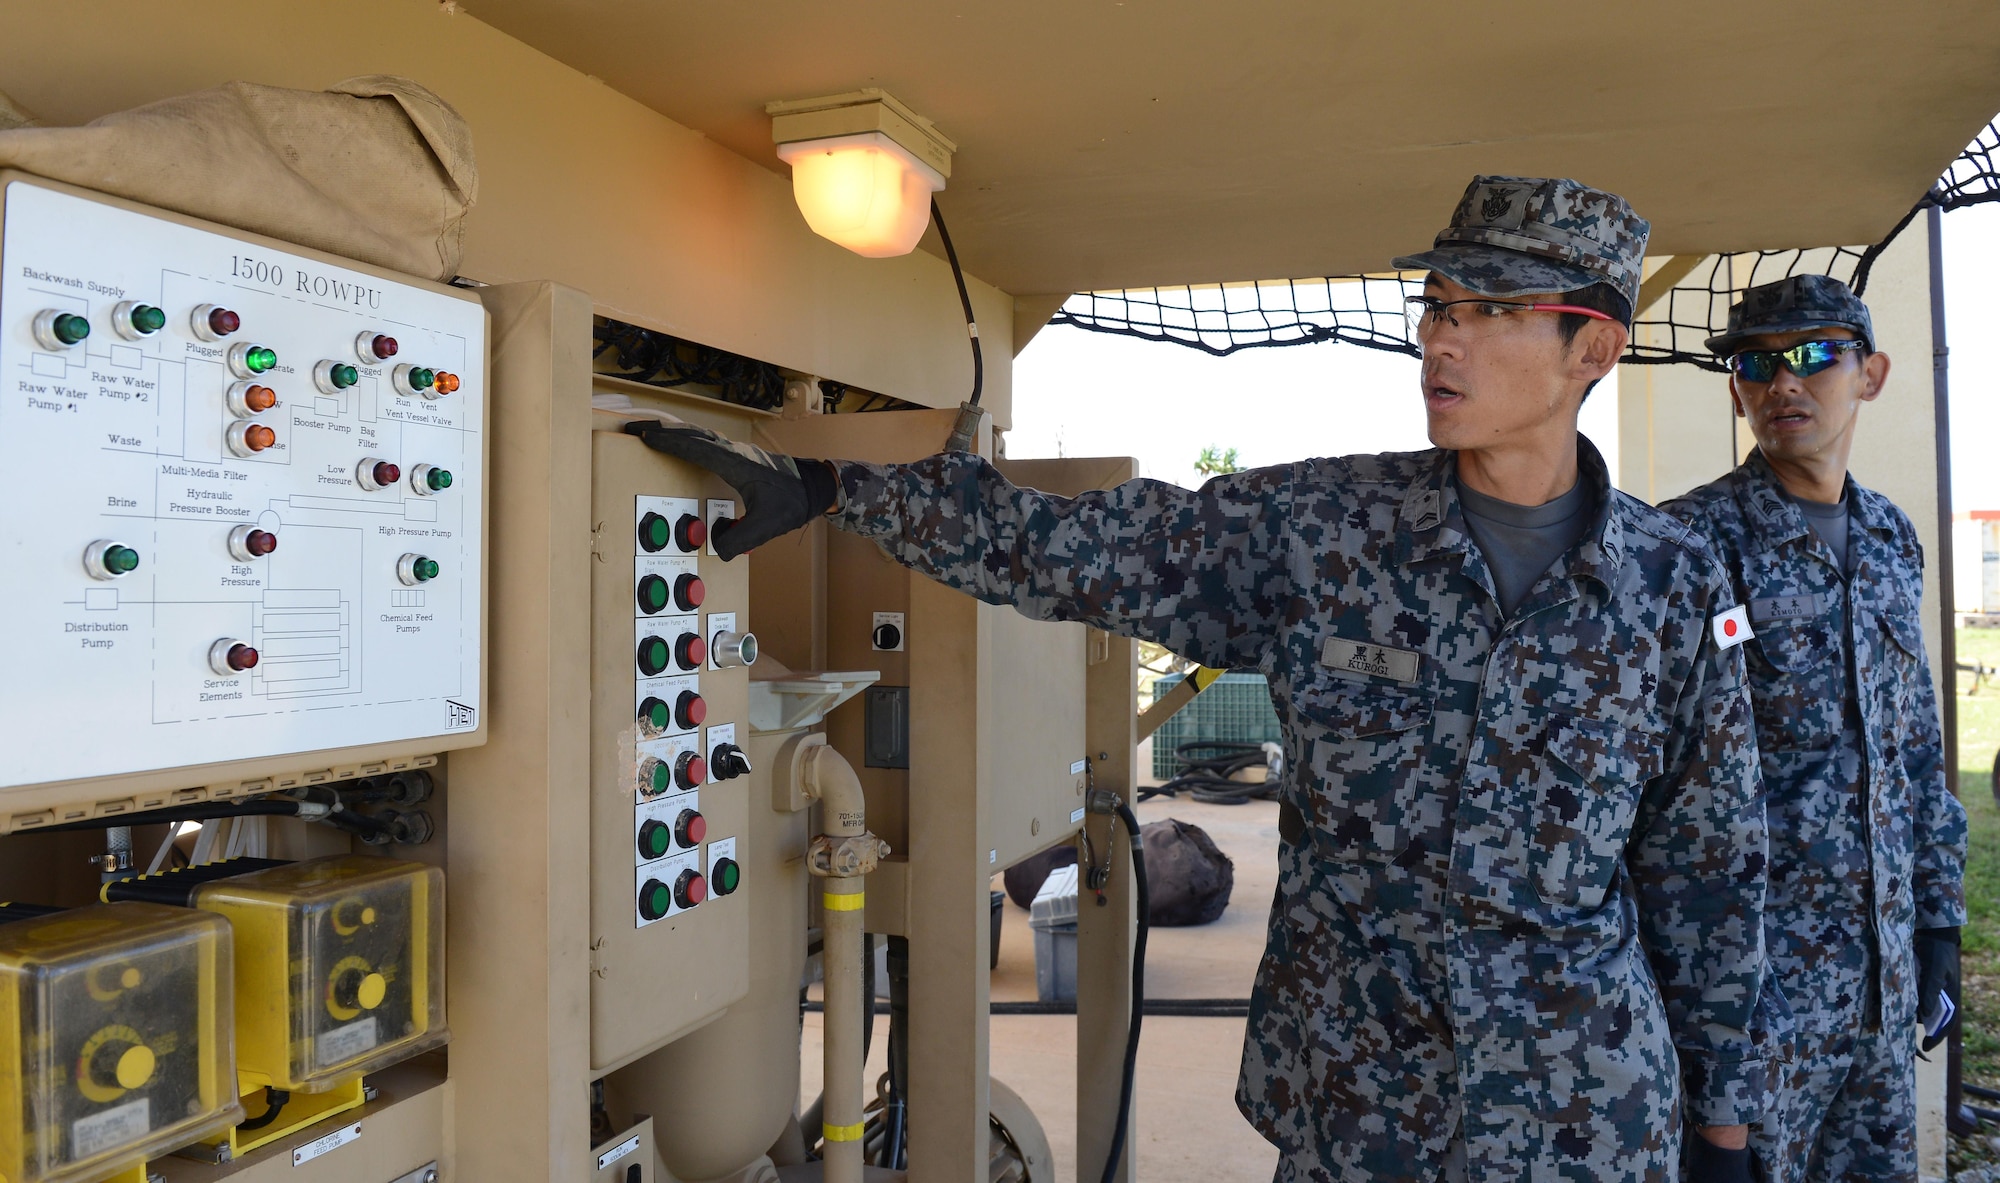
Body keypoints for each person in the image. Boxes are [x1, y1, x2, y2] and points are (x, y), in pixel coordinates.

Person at [630, 175, 1782, 1182]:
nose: (1442, 340)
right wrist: (846, 492)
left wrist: (1721, 1126)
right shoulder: (1327, 530)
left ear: (1592, 349)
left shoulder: (1674, 586)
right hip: (1355, 1104)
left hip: (1579, 1113)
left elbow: (1708, 865)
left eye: (1490, 312)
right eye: (1436, 307)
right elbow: (1097, 545)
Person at [1662, 275, 1968, 1181]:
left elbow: (1914, 743)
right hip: (1755, 1000)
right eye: (1757, 365)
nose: (1782, 384)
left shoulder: (1890, 537)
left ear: (1869, 374)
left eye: (1813, 357)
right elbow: (1660, 788)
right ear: (1736, 389)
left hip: (1879, 984)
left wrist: (1938, 923)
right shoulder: (1687, 543)